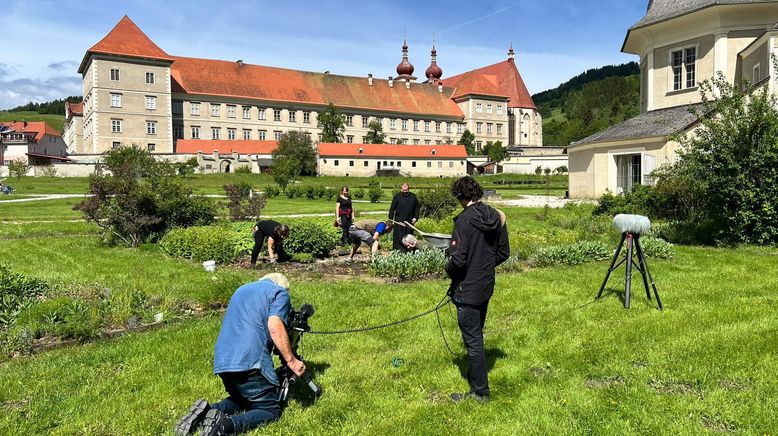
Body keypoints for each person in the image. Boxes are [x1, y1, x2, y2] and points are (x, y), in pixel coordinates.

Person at [175, 273, 304, 436]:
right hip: (248, 360)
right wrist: (291, 361)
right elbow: (275, 326)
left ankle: (207, 412)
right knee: (270, 410)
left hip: (223, 360)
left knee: (243, 398)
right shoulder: (279, 293)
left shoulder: (241, 290)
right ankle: (224, 426)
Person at [445, 176, 509, 403]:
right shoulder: (498, 217)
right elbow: (503, 253)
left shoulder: (463, 221)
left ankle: (480, 392)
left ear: (462, 197)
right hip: (485, 285)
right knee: (476, 336)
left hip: (468, 288)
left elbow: (458, 259)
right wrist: (483, 265)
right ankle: (478, 383)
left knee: (473, 342)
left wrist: (448, 267)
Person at [388, 183, 420, 252]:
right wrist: (391, 220)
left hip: (409, 222)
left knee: (408, 237)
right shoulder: (397, 196)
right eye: (403, 189)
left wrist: (415, 217)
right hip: (399, 221)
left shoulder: (413, 197)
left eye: (406, 190)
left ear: (408, 189)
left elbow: (417, 207)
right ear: (401, 189)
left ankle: (409, 251)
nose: (405, 191)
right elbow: (392, 208)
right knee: (398, 237)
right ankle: (396, 251)